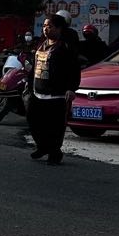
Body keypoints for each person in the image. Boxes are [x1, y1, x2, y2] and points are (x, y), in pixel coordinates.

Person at [27, 13, 81, 165]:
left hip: (56, 95)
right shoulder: (41, 44)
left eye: (49, 26)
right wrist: (29, 84)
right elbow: (35, 66)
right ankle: (42, 146)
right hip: (37, 92)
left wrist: (71, 88)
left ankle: (54, 153)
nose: (46, 29)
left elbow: (74, 69)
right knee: (34, 121)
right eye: (44, 26)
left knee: (54, 127)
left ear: (59, 28)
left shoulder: (65, 47)